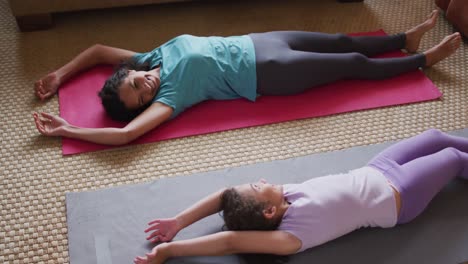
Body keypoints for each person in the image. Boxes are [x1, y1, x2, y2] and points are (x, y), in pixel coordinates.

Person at [33, 10, 461, 146]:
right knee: (351, 62)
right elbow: (127, 135)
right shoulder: (172, 97)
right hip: (269, 73)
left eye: (135, 83)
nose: (145, 87)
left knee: (339, 38)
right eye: (140, 97)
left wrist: (60, 73)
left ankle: (403, 37)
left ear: (131, 73)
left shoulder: (149, 58)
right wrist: (69, 129)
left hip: (262, 39)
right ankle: (422, 59)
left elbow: (97, 52)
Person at [132, 128, 468, 263]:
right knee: (452, 160)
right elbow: (229, 242)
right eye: (256, 186)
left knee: (437, 135)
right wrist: (169, 250)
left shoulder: (279, 197)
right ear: (267, 213)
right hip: (401, 196)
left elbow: (224, 195)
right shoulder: (291, 237)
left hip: (378, 168)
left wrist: (179, 221)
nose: (261, 179)